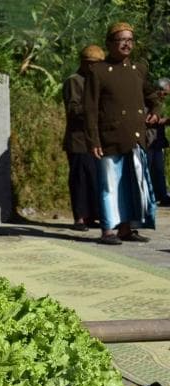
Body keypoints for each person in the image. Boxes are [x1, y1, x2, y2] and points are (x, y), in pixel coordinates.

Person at [83, 22, 161, 245]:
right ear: (110, 43)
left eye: (130, 40)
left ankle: (127, 228)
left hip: (135, 137)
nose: (126, 44)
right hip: (109, 138)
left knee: (133, 183)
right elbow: (90, 109)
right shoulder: (98, 71)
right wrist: (93, 139)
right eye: (121, 40)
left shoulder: (138, 69)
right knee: (110, 183)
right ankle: (109, 229)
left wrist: (155, 111)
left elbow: (152, 96)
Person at [63, 45, 105, 231]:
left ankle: (91, 215)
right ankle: (79, 217)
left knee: (94, 178)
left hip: (94, 139)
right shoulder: (75, 81)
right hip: (78, 138)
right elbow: (73, 109)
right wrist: (94, 110)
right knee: (79, 179)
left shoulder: (96, 81)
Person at [147, 78, 170, 207]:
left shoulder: (160, 103)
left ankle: (162, 195)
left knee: (159, 169)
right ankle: (151, 196)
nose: (165, 97)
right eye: (165, 93)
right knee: (148, 169)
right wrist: (160, 120)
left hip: (158, 141)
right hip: (149, 139)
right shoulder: (150, 100)